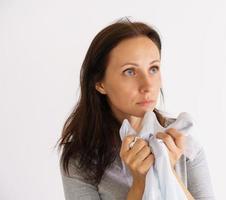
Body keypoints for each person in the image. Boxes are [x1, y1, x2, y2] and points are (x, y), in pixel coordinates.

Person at [56, 17, 215, 200]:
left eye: (153, 68)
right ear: (99, 83)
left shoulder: (182, 137)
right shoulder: (80, 160)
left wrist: (168, 171)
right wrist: (139, 183)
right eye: (130, 71)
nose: (147, 85)